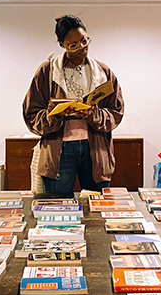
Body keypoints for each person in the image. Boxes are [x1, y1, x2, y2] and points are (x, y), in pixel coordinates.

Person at [22, 14, 124, 197]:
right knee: (57, 206)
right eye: (74, 45)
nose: (82, 48)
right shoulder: (47, 72)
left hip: (96, 149)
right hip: (59, 150)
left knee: (97, 206)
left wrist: (94, 114)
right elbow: (31, 114)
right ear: (62, 45)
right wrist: (55, 114)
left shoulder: (104, 72)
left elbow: (116, 111)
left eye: (84, 40)